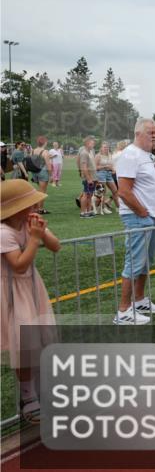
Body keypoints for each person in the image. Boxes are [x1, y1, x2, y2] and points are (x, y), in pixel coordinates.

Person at [1, 179, 60, 424]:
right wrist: (35, 238)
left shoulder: (30, 223)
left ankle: (38, 389)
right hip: (10, 292)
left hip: (31, 288)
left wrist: (41, 232)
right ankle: (28, 396)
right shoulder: (3, 233)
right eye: (31, 203)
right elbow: (19, 264)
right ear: (17, 208)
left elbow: (56, 246)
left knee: (37, 338)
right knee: (22, 343)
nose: (36, 205)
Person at [114, 118, 155, 325]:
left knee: (145, 261)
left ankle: (139, 300)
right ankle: (124, 310)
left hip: (152, 215)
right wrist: (142, 212)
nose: (154, 135)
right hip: (139, 217)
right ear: (138, 134)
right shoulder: (130, 154)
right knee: (134, 261)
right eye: (150, 132)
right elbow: (124, 191)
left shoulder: (146, 155)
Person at [29, 137, 52, 214]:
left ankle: (36, 208)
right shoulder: (45, 152)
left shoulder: (32, 151)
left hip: (34, 172)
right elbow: (48, 165)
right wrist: (51, 176)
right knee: (42, 192)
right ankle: (40, 209)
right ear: (45, 143)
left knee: (39, 190)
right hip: (43, 172)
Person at [77, 136, 98, 218]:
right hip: (88, 178)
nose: (94, 144)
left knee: (90, 194)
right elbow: (84, 166)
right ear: (87, 143)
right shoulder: (84, 153)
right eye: (92, 143)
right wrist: (89, 178)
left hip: (93, 177)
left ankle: (88, 211)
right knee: (86, 194)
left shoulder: (91, 151)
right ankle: (83, 213)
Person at [95, 141, 119, 211]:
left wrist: (113, 170)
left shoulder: (109, 155)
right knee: (103, 192)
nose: (106, 148)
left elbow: (111, 165)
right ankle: (103, 208)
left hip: (109, 174)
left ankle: (118, 207)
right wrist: (105, 166)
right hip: (101, 174)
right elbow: (95, 167)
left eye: (107, 147)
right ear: (101, 148)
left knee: (115, 191)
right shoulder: (98, 156)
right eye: (104, 147)